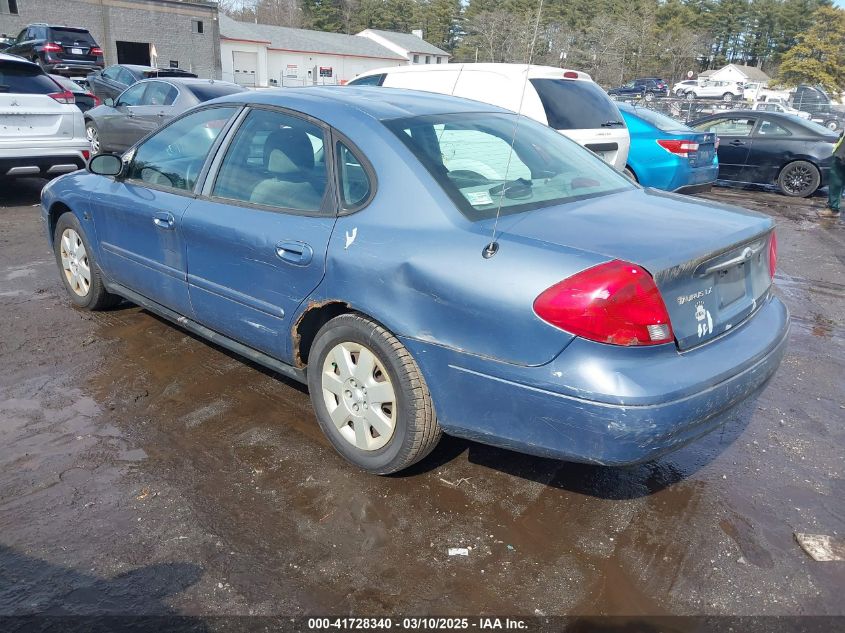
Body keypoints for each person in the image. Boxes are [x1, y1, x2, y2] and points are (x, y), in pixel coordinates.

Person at [819, 131, 845, 218]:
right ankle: (833, 208)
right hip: (840, 155)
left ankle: (833, 209)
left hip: (841, 156)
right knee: (836, 184)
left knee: (836, 184)